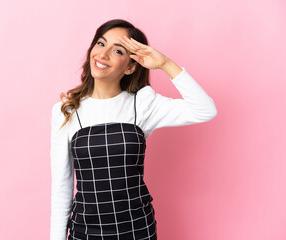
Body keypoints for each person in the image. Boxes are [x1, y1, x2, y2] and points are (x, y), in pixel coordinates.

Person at [50, 19, 217, 240]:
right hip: (86, 232)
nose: (103, 54)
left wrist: (166, 63)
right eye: (100, 44)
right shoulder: (67, 111)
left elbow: (205, 110)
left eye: (117, 50)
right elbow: (62, 187)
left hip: (137, 230)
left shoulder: (143, 104)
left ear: (130, 66)